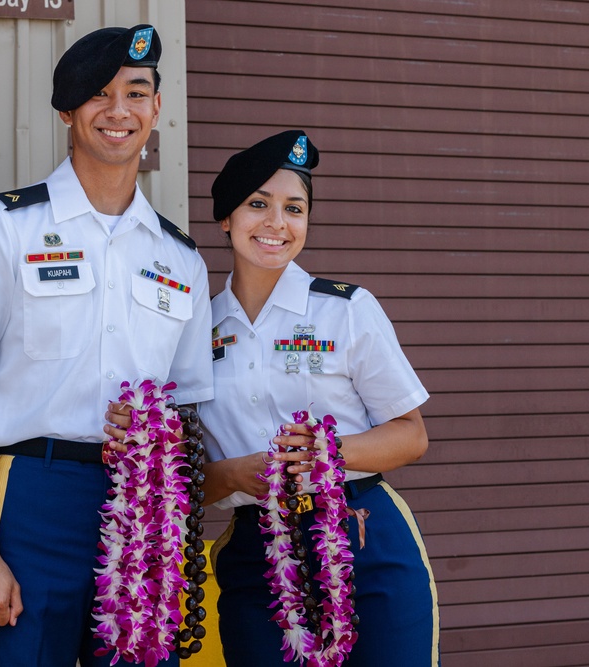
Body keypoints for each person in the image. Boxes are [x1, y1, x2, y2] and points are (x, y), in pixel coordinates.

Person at [0, 24, 212, 667]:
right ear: (68, 111)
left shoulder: (180, 259)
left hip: (143, 507)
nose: (119, 111)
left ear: (157, 108)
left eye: (136, 92)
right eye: (98, 95)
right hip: (32, 499)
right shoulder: (6, 225)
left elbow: (188, 409)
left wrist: (163, 444)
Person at [198, 130, 440, 666]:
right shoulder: (193, 331)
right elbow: (185, 478)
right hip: (256, 553)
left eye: (294, 208)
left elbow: (411, 435)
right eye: (258, 204)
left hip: (363, 537)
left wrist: (329, 452)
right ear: (225, 218)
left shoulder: (345, 310)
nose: (276, 224)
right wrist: (237, 474)